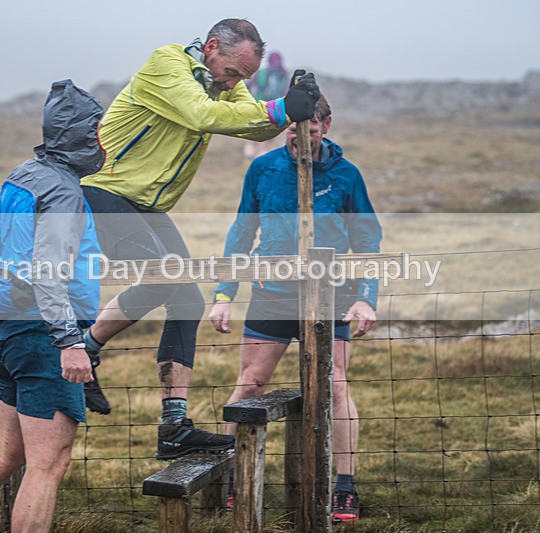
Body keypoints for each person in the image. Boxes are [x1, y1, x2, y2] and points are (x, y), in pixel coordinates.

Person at [78, 18, 322, 460]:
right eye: (232, 73)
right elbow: (202, 115)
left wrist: (292, 103)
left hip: (148, 205)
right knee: (167, 280)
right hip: (104, 190)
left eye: (243, 78)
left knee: (187, 300)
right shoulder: (166, 65)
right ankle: (84, 347)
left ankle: (173, 427)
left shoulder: (224, 82)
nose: (234, 84)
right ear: (211, 48)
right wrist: (282, 109)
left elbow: (251, 123)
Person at [0, 80, 104, 532]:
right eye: (99, 131)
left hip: (5, 328)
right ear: (84, 137)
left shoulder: (24, 173)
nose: (104, 140)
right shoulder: (66, 192)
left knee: (7, 453)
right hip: (43, 336)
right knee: (47, 464)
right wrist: (70, 341)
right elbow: (49, 271)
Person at [208, 94, 382, 523]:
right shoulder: (263, 168)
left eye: (311, 129)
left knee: (335, 387)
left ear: (327, 124)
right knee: (250, 383)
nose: (300, 137)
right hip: (272, 294)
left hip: (331, 295)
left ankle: (344, 486)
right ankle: (230, 477)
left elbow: (367, 241)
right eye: (293, 129)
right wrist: (225, 293)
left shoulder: (346, 175)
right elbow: (242, 231)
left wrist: (366, 297)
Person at [243, 50, 290, 161]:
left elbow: (247, 86)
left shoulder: (262, 72)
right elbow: (287, 93)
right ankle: (261, 159)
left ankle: (249, 158)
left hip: (257, 106)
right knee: (266, 140)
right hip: (275, 109)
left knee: (252, 135)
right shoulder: (284, 75)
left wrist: (245, 100)